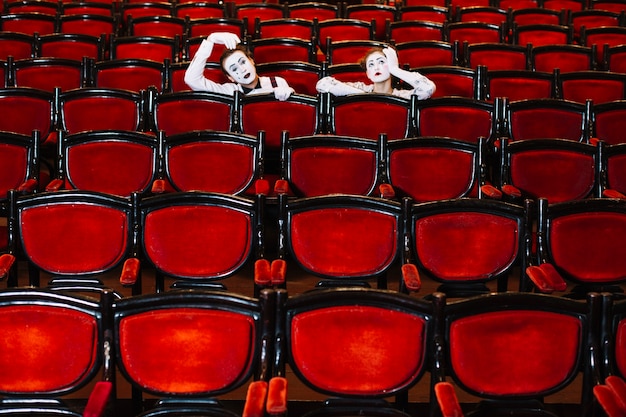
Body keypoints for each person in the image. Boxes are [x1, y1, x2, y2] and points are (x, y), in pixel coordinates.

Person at [184, 32, 295, 101]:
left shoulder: (277, 81)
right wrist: (210, 40)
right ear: (230, 78)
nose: (242, 69)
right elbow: (191, 79)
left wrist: (290, 93)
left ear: (251, 60)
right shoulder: (229, 91)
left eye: (242, 62)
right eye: (234, 69)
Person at [316, 46, 435, 100]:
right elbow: (323, 84)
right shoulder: (361, 88)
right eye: (371, 65)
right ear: (368, 73)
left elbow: (428, 88)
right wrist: (365, 96)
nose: (376, 67)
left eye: (381, 62)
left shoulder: (402, 96)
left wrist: (395, 70)